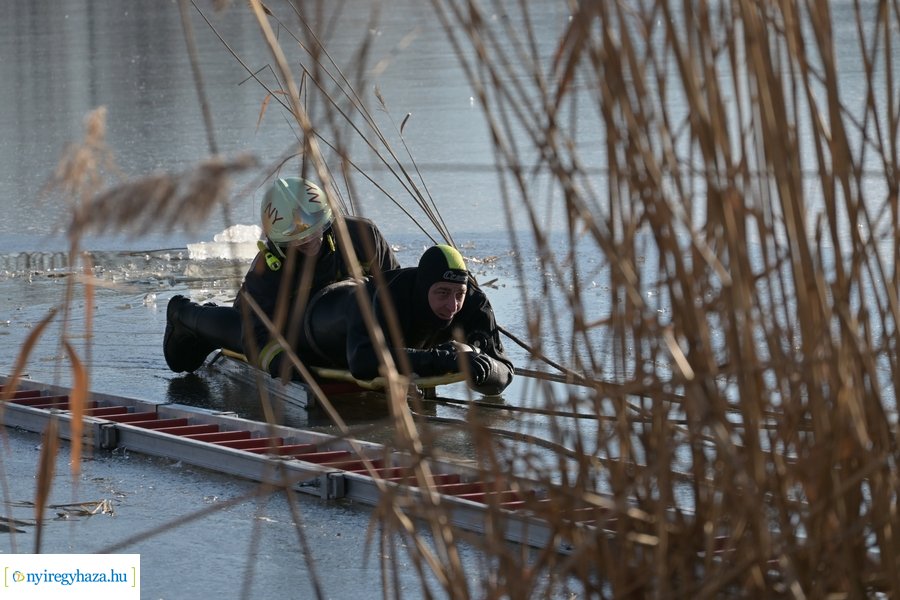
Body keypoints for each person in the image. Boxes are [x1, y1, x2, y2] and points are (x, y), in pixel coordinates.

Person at [163, 176, 400, 374]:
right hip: (272, 324)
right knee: (235, 332)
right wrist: (286, 366)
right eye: (295, 235)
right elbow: (256, 337)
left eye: (313, 227)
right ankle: (183, 314)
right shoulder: (267, 270)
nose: (308, 239)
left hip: (334, 322)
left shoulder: (362, 236)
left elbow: (397, 289)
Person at [287, 244, 514, 396]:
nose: (452, 305)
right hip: (317, 319)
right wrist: (442, 359)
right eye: (443, 293)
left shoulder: (474, 304)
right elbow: (362, 362)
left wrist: (475, 361)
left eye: (459, 294)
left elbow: (504, 372)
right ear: (423, 287)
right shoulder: (385, 297)